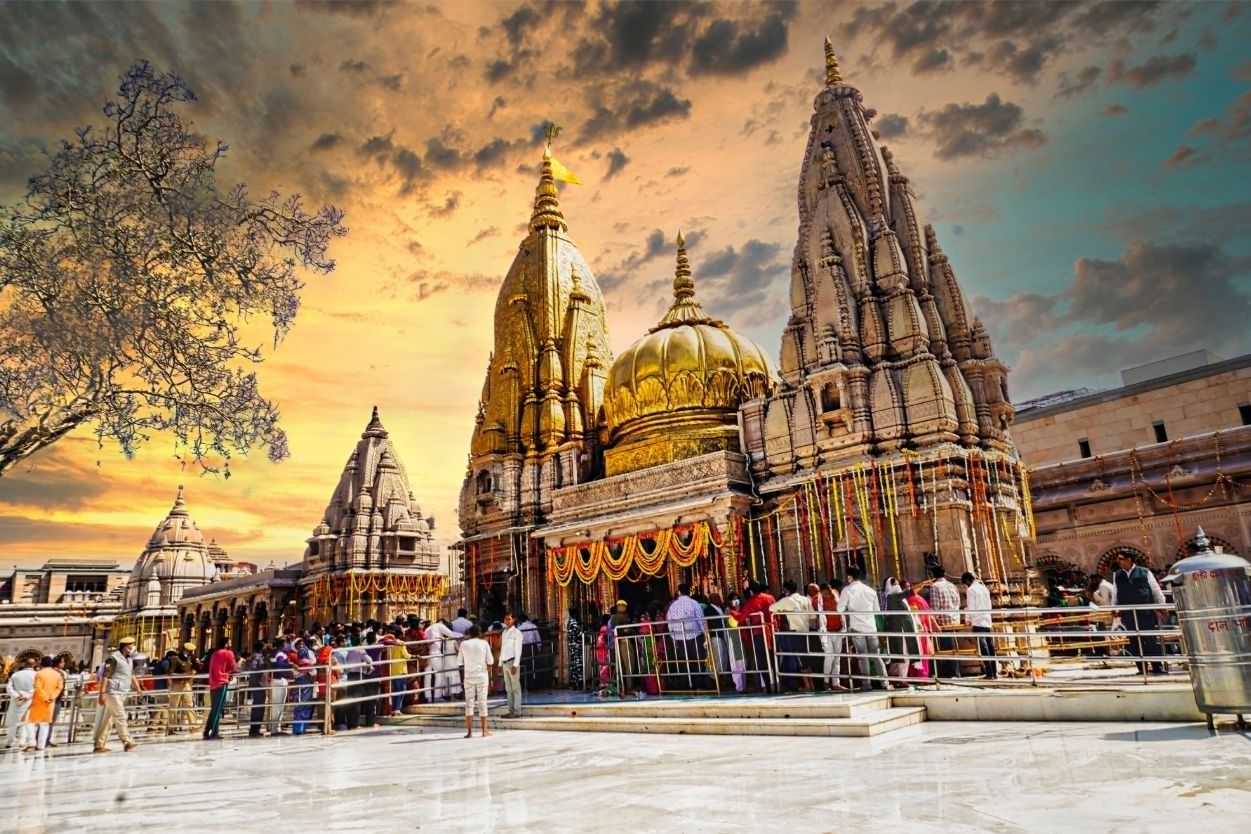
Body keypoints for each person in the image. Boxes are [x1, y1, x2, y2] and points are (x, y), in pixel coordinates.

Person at [1111, 553, 1167, 675]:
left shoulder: (1144, 572)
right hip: (1128, 612)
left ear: (1129, 559)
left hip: (1145, 611)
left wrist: (1162, 606)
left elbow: (1155, 589)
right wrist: (1113, 608)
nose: (1119, 562)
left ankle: (1157, 666)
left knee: (1149, 638)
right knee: (1134, 639)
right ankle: (1141, 668)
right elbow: (1115, 592)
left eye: (1121, 559)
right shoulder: (1117, 575)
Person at [838, 567, 889, 690]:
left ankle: (866, 684)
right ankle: (885, 683)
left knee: (862, 657)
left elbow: (839, 608)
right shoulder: (870, 591)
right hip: (871, 626)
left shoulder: (847, 590)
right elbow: (877, 610)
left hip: (856, 627)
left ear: (849, 576)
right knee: (876, 655)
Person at [95, 637, 143, 753]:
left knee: (109, 719)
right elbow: (106, 676)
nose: (132, 647)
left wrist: (138, 688)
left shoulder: (129, 660)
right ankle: (127, 741)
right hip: (113, 692)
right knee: (120, 716)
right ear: (124, 646)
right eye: (130, 645)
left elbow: (131, 674)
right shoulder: (113, 659)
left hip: (123, 691)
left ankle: (99, 745)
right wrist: (102, 693)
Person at [770, 580, 815, 690]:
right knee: (807, 659)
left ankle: (807, 686)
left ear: (786, 590)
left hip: (795, 632)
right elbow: (813, 616)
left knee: (800, 660)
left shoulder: (787, 600)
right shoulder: (805, 599)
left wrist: (783, 610)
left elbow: (771, 608)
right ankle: (811, 684)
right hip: (806, 630)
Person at [666, 583, 710, 690]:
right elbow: (701, 619)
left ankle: (686, 686)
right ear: (689, 592)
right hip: (695, 636)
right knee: (697, 660)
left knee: (683, 662)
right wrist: (706, 634)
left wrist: (673, 638)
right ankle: (698, 685)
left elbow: (670, 622)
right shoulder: (694, 603)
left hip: (679, 637)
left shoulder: (673, 605)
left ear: (679, 592)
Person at [457, 625, 494, 738]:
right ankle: (484, 731)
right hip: (482, 675)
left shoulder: (464, 644)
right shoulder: (484, 643)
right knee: (482, 702)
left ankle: (469, 732)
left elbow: (459, 662)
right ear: (480, 633)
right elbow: (491, 660)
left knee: (469, 703)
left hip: (468, 676)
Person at [961, 572, 998, 680]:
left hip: (977, 621)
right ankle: (994, 672)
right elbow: (989, 605)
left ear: (967, 581)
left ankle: (989, 673)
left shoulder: (971, 590)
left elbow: (971, 607)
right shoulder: (984, 588)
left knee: (984, 647)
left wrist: (968, 619)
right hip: (987, 620)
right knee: (990, 646)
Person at [928, 567, 961, 679]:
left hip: (943, 621)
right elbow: (958, 602)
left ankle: (953, 673)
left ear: (933, 575)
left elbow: (935, 607)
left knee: (947, 647)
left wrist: (933, 621)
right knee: (953, 645)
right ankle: (956, 672)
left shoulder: (935, 587)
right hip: (954, 620)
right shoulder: (952, 585)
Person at [813, 583, 846, 691]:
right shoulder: (816, 599)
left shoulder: (836, 594)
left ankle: (836, 683)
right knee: (829, 657)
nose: (827, 596)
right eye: (825, 594)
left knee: (837, 658)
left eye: (829, 593)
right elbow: (814, 613)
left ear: (831, 589)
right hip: (826, 631)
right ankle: (826, 682)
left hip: (838, 630)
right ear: (821, 592)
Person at [203, 638, 238, 740]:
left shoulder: (214, 654)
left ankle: (208, 730)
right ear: (226, 643)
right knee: (218, 710)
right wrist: (230, 674)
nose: (231, 644)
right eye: (230, 642)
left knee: (214, 709)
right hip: (221, 683)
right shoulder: (229, 653)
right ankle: (213, 732)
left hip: (213, 683)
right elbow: (234, 668)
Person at [28, 656, 64, 752]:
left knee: (32, 722)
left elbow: (38, 688)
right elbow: (59, 687)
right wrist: (51, 697)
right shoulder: (57, 675)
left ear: (41, 664)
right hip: (50, 702)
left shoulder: (39, 674)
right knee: (45, 724)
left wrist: (44, 697)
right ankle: (41, 745)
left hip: (39, 701)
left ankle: (32, 742)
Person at [167, 642, 200, 734]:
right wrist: (184, 674)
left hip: (187, 684)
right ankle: (171, 727)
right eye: (190, 651)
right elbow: (170, 673)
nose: (191, 653)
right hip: (177, 685)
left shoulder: (189, 659)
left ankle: (193, 726)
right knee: (174, 707)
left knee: (189, 705)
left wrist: (193, 671)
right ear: (184, 650)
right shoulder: (175, 659)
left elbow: (193, 668)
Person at [5, 658, 37, 752]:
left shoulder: (15, 674)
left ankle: (9, 742)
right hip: (28, 701)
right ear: (34, 664)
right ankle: (26, 741)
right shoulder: (36, 675)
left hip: (16, 700)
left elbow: (9, 687)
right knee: (27, 722)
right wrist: (26, 696)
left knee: (13, 722)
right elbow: (36, 689)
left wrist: (16, 695)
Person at [498, 612, 524, 718]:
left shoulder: (517, 633)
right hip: (504, 662)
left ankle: (517, 711)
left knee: (515, 688)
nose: (506, 621)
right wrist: (499, 664)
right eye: (505, 619)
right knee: (508, 689)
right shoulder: (504, 632)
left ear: (513, 620)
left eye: (509, 619)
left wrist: (515, 665)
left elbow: (518, 650)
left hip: (512, 662)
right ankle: (511, 710)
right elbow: (503, 649)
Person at [268, 643, 293, 735]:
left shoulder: (273, 652)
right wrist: (290, 665)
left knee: (277, 705)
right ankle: (275, 729)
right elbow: (280, 664)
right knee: (278, 705)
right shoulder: (280, 653)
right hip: (280, 680)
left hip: (276, 680)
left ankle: (275, 727)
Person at [245, 641, 269, 737]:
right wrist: (264, 666)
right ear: (262, 647)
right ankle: (255, 729)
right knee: (258, 707)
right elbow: (254, 668)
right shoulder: (257, 657)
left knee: (259, 706)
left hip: (259, 684)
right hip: (258, 684)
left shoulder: (259, 656)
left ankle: (256, 728)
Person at [147, 650, 174, 735]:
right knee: (161, 706)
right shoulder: (166, 663)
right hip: (163, 687)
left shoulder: (161, 662)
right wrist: (169, 686)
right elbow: (167, 676)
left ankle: (160, 725)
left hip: (158, 686)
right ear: (170, 656)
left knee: (162, 706)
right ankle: (154, 724)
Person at [565, 608, 585, 690]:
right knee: (578, 665)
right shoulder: (574, 623)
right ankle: (579, 683)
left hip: (572, 645)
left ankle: (574, 683)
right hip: (576, 645)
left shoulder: (569, 622)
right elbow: (579, 633)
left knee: (574, 665)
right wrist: (584, 632)